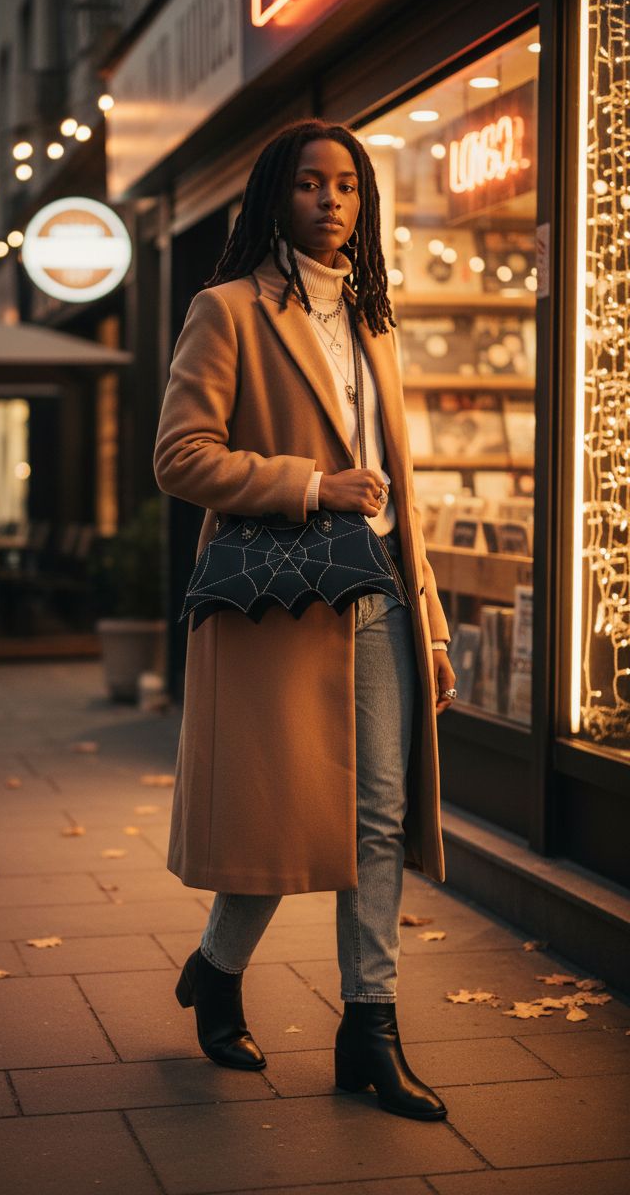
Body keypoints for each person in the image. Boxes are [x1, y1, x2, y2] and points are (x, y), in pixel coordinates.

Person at [153, 119, 458, 1122]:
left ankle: (369, 1028)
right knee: (282, 822)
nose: (332, 201)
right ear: (274, 199)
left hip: (379, 598)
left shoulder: (375, 320)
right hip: (278, 607)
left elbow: (401, 488)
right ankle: (216, 966)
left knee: (377, 817)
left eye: (348, 186)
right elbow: (180, 457)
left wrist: (434, 627)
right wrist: (311, 485)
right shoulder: (226, 310)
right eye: (310, 184)